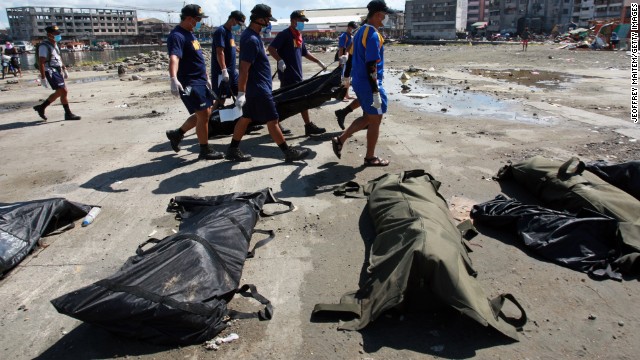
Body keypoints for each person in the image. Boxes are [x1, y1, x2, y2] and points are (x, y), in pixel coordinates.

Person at [225, 4, 310, 162]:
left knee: (246, 118)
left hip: (257, 87)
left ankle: (232, 149)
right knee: (273, 120)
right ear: (259, 19)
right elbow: (244, 68)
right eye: (267, 20)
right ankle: (288, 152)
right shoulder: (250, 39)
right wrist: (241, 93)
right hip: (258, 89)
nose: (269, 23)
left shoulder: (253, 36)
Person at [331, 0, 395, 167]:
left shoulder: (359, 32)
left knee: (370, 117)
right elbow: (371, 65)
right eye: (385, 14)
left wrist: (346, 78)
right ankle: (369, 157)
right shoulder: (373, 35)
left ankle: (340, 140)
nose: (386, 18)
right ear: (377, 14)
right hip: (369, 83)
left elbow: (350, 57)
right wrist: (375, 91)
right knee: (375, 119)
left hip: (359, 81)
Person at [165, 4, 223, 160]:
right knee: (203, 115)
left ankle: (177, 133)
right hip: (190, 81)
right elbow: (174, 58)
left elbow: (197, 59)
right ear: (189, 18)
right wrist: (173, 78)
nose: (200, 22)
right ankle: (204, 149)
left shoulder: (190, 34)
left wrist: (206, 77)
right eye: (198, 19)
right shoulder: (177, 35)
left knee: (206, 113)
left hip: (201, 80)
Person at [267, 10, 327, 137]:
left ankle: (304, 125)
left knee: (296, 99)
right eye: (301, 21)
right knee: (289, 101)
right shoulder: (285, 34)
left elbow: (304, 52)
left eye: (304, 21)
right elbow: (271, 48)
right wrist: (280, 60)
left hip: (297, 74)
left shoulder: (298, 35)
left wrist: (318, 61)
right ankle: (277, 125)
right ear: (293, 21)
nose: (302, 24)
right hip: (288, 74)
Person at [33, 25, 81, 121]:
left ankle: (42, 107)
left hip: (57, 70)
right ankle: (68, 113)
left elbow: (58, 58)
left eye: (59, 33)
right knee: (63, 91)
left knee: (61, 92)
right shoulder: (44, 46)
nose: (58, 35)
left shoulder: (55, 44)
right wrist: (43, 77)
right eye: (56, 34)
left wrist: (64, 68)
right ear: (49, 34)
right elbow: (41, 62)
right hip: (50, 71)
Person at [211, 10, 245, 109]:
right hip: (222, 73)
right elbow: (219, 52)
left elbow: (233, 47)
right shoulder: (221, 31)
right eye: (238, 23)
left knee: (241, 92)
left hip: (233, 72)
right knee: (221, 99)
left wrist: (242, 51)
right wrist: (224, 70)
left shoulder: (230, 33)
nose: (239, 26)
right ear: (233, 19)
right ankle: (209, 122)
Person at [337, 21, 357, 101]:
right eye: (352, 28)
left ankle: (347, 94)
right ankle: (342, 95)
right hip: (345, 59)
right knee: (345, 77)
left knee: (348, 77)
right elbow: (341, 49)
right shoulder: (344, 36)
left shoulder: (351, 36)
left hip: (351, 59)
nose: (353, 30)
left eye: (354, 28)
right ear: (348, 27)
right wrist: (341, 61)